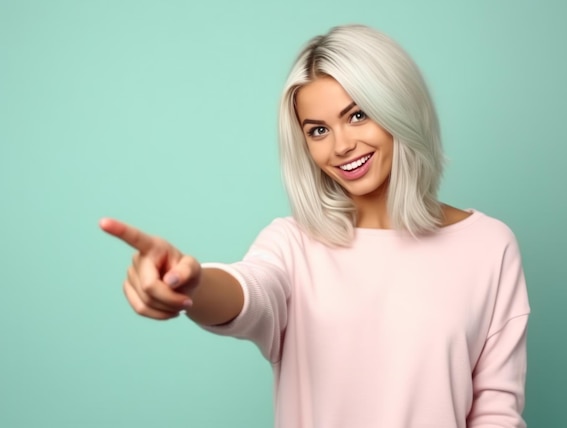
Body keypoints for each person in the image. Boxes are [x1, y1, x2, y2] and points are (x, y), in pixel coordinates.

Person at [100, 24, 530, 428]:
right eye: (319, 129)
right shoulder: (293, 244)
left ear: (399, 109)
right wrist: (190, 286)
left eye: (358, 115)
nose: (341, 146)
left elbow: (496, 410)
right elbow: (252, 290)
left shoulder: (488, 245)